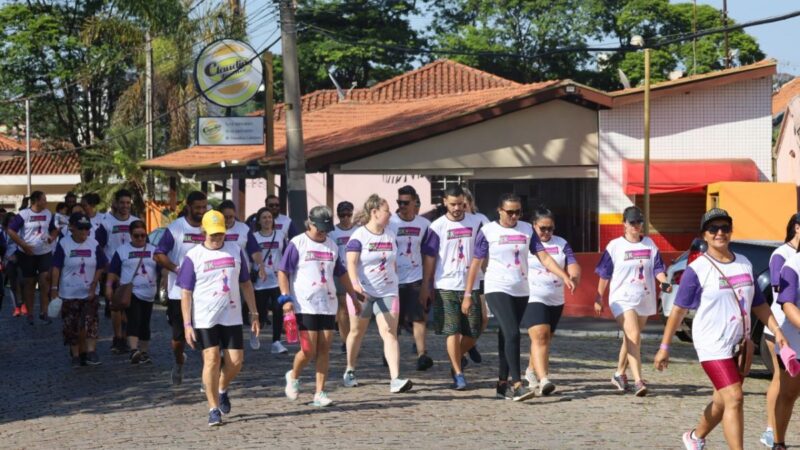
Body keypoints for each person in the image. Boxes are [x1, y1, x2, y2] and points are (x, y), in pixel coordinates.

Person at [655, 208, 788, 450]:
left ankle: (695, 437)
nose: (719, 233)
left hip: (740, 343)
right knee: (735, 398)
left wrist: (777, 330)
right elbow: (678, 310)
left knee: (721, 400)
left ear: (731, 231)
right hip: (711, 344)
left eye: (725, 228)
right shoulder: (697, 269)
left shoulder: (744, 264)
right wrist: (665, 347)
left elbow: (759, 304)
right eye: (713, 228)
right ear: (704, 235)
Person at [464, 195, 575, 400]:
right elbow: (476, 263)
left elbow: (544, 257)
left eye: (518, 212)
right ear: (499, 210)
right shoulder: (488, 231)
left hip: (522, 289)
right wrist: (468, 294)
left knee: (505, 336)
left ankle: (501, 383)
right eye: (510, 212)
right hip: (497, 287)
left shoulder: (526, 230)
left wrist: (564, 275)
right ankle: (517, 384)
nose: (514, 216)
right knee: (513, 333)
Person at [177, 210, 260, 426]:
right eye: (213, 235)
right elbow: (185, 293)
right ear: (203, 231)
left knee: (235, 362)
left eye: (220, 234)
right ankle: (213, 408)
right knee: (212, 358)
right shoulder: (193, 256)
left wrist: (254, 313)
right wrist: (187, 324)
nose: (216, 239)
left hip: (231, 315)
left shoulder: (235, 251)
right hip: (205, 317)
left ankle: (222, 388)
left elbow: (246, 284)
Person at [280, 206, 359, 407]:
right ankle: (294, 376)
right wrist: (285, 298)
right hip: (304, 304)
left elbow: (341, 273)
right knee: (308, 349)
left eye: (326, 228)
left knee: (324, 348)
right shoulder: (297, 243)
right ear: (311, 223)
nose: (323, 232)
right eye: (320, 228)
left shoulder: (332, 245)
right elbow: (283, 271)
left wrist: (353, 295)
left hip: (327, 303)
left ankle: (320, 392)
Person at [595, 206, 669, 396]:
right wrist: (598, 296)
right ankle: (638, 381)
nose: (636, 226)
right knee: (634, 336)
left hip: (644, 298)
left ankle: (619, 373)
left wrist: (664, 282)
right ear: (624, 224)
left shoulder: (650, 244)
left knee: (631, 338)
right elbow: (604, 273)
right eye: (632, 222)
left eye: (639, 222)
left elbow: (658, 268)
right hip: (621, 298)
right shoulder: (615, 246)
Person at [343, 194, 413, 393]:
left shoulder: (391, 234)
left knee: (389, 333)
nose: (390, 214)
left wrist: (395, 283)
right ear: (374, 212)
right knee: (357, 332)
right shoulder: (359, 236)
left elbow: (393, 262)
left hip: (388, 292)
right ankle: (350, 369)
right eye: (386, 210)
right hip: (363, 292)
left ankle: (395, 378)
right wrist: (355, 285)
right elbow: (351, 263)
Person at [420, 184, 484, 390]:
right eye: (453, 204)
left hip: (471, 283)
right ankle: (457, 372)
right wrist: (426, 285)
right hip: (445, 283)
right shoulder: (437, 227)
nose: (457, 208)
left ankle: (457, 356)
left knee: (476, 327)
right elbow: (430, 258)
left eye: (461, 204)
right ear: (445, 203)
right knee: (452, 330)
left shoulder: (477, 222)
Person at [522, 205, 581, 395]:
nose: (547, 232)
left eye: (550, 228)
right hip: (532, 295)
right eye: (542, 228)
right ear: (533, 226)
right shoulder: (527, 243)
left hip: (556, 297)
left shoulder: (561, 243)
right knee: (540, 335)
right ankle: (544, 378)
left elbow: (572, 263)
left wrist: (574, 275)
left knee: (545, 339)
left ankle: (531, 371)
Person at [154, 191, 208, 385]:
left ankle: (207, 378)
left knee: (206, 336)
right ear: (188, 207)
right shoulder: (176, 228)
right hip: (179, 292)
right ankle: (178, 361)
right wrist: (176, 269)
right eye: (198, 208)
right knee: (178, 339)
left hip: (205, 292)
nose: (202, 211)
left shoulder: (209, 226)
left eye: (204, 207)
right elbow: (159, 254)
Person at [760, 213, 800, 448]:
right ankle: (776, 438)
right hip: (787, 334)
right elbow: (784, 300)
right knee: (787, 390)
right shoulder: (789, 262)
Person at [52, 213, 107, 367]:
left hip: (89, 293)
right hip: (69, 293)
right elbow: (56, 267)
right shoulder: (64, 244)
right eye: (80, 229)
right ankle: (76, 355)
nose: (84, 233)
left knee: (91, 322)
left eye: (86, 229)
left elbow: (101, 265)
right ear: (72, 229)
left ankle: (91, 352)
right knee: (72, 325)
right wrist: (54, 289)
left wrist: (94, 284)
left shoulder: (93, 244)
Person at [388, 186, 434, 371]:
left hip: (415, 276)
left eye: (406, 203)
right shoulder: (390, 223)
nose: (402, 206)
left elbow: (428, 253)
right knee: (394, 320)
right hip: (393, 278)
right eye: (399, 202)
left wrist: (427, 283)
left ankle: (422, 354)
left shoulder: (424, 224)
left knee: (419, 317)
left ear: (415, 202)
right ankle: (391, 353)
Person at [106, 220, 158, 364]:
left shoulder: (154, 250)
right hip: (131, 291)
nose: (140, 238)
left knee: (145, 323)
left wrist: (165, 277)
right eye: (136, 236)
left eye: (143, 235)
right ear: (130, 235)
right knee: (134, 319)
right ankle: (134, 350)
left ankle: (144, 352)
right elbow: (112, 271)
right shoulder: (122, 251)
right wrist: (109, 286)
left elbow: (161, 267)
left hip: (149, 293)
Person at [7, 191, 59, 325]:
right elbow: (10, 230)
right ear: (36, 200)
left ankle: (44, 312)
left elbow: (55, 229)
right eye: (44, 199)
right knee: (29, 283)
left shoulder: (48, 213)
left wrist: (52, 238)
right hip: (27, 253)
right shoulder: (24, 214)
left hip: (44, 252)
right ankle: (30, 313)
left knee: (44, 280)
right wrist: (23, 245)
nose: (46, 202)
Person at [103, 189, 140, 354]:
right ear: (116, 203)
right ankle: (118, 337)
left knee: (129, 306)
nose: (125, 206)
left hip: (132, 270)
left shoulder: (137, 221)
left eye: (128, 203)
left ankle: (127, 336)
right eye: (122, 203)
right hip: (113, 269)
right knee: (116, 306)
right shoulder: (106, 222)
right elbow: (98, 247)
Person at [246, 206, 287, 354]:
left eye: (269, 217)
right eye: (264, 217)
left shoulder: (280, 235)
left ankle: (276, 341)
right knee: (261, 313)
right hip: (260, 281)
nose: (267, 220)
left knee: (278, 310)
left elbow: (285, 255)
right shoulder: (254, 237)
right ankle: (254, 332)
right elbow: (250, 257)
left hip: (277, 280)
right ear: (259, 220)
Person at [463, 186, 489, 363]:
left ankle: (470, 344)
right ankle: (461, 354)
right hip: (459, 277)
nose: (461, 209)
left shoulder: (481, 220)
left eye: (464, 204)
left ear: (471, 203)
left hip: (480, 275)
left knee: (483, 319)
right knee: (461, 320)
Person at [330, 201, 356, 353]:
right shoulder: (333, 232)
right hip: (339, 272)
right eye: (342, 215)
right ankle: (345, 341)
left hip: (355, 273)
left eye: (348, 214)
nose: (345, 218)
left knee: (355, 307)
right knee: (343, 307)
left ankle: (354, 336)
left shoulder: (358, 230)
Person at [3, 212, 24, 317]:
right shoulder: (2, 232)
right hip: (8, 259)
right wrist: (7, 257)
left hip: (20, 257)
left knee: (22, 281)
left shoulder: (20, 231)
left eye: (14, 221)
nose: (12, 223)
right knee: (13, 284)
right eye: (10, 221)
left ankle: (23, 303)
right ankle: (16, 307)